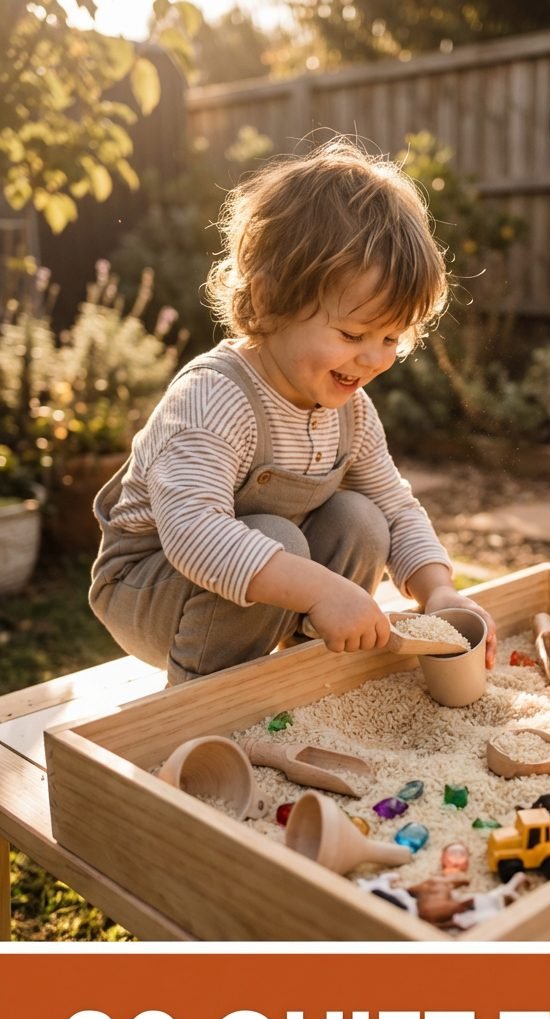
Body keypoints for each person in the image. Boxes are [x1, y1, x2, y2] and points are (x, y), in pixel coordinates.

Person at [89, 137, 497, 684]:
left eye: (391, 337)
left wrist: (439, 589)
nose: (375, 357)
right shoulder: (213, 397)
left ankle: (306, 669)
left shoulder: (351, 411)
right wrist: (323, 589)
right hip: (149, 584)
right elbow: (193, 531)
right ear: (266, 300)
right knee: (277, 541)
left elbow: (396, 507)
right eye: (353, 333)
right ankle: (202, 697)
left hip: (266, 574)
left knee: (362, 520)